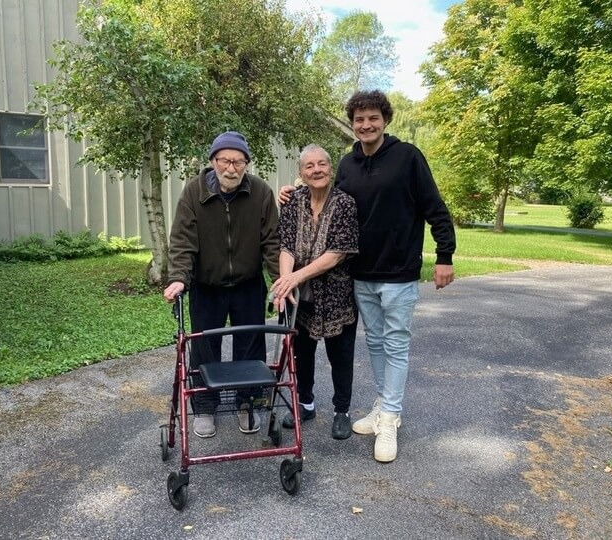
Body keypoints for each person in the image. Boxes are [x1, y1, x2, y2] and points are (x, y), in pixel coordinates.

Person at [279, 90, 456, 462]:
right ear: (353, 123)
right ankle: (383, 405)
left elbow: (435, 208)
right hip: (360, 274)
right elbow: (329, 200)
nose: (366, 125)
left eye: (372, 118)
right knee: (375, 342)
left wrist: (444, 255)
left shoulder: (407, 157)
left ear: (385, 119)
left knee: (396, 344)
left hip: (399, 272)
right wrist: (294, 191)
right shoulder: (347, 163)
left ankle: (390, 418)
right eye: (359, 119)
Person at [163, 131, 280, 439]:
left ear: (246, 164)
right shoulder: (193, 192)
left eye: (239, 161)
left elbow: (271, 242)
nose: (232, 168)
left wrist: (280, 280)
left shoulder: (261, 193)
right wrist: (178, 277)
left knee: (250, 345)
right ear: (213, 161)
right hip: (207, 285)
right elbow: (182, 241)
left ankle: (247, 402)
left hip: (247, 284)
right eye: (225, 160)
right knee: (204, 346)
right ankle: (204, 406)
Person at [270, 144, 359, 440]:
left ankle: (341, 411)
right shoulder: (293, 202)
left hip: (337, 295)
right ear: (301, 173)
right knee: (301, 354)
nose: (316, 170)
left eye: (322, 164)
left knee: (340, 355)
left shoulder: (345, 203)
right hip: (301, 299)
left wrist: (294, 277)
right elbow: (285, 245)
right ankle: (305, 404)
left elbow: (337, 253)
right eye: (309, 166)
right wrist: (285, 282)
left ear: (330, 168)